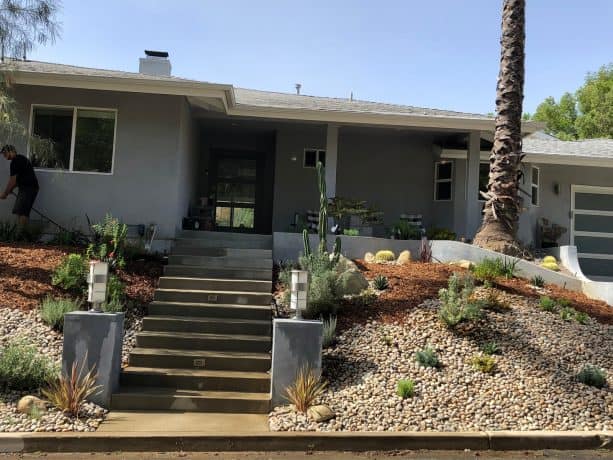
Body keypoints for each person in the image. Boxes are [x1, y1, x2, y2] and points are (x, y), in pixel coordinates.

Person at [0, 144, 39, 226]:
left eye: (5, 153)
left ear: (12, 151)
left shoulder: (15, 161)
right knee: (20, 211)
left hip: (28, 188)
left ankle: (22, 236)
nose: (4, 155)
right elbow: (18, 180)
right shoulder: (21, 158)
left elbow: (13, 180)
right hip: (28, 188)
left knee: (22, 212)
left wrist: (5, 193)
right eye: (3, 153)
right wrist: (11, 189)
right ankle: (22, 234)